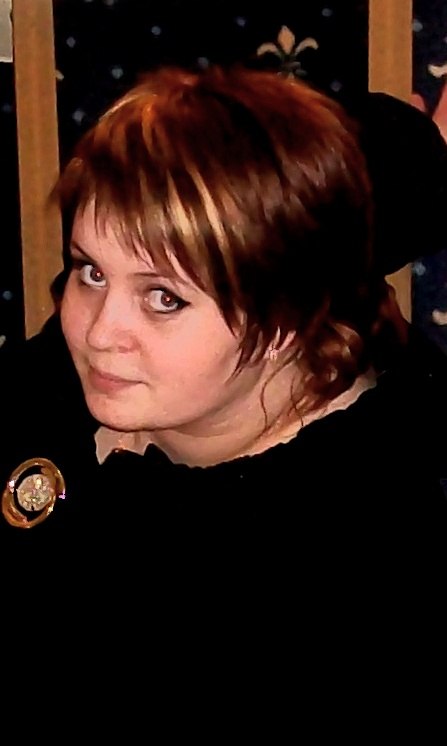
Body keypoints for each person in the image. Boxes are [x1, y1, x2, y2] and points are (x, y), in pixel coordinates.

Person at [1, 67, 446, 679]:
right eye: (90, 271)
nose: (98, 333)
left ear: (285, 319)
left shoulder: (361, 555)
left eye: (163, 299)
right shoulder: (76, 371)